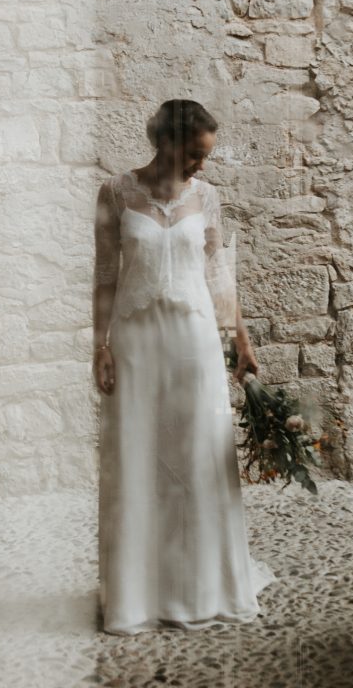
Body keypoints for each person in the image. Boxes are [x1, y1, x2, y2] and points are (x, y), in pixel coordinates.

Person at [92, 98, 277, 635]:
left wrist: (242, 341)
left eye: (207, 155)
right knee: (139, 456)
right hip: (137, 342)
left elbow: (219, 274)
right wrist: (99, 346)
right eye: (196, 154)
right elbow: (105, 275)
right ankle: (138, 593)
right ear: (166, 143)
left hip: (194, 341)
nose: (203, 164)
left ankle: (204, 586)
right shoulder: (116, 192)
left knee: (199, 456)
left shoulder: (208, 197)